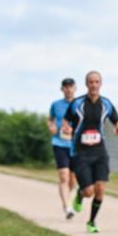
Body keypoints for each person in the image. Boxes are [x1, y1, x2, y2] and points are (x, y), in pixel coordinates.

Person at [62, 71, 118, 233]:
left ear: (100, 84)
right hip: (80, 153)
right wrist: (66, 127)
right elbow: (66, 120)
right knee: (89, 191)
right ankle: (80, 195)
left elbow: (116, 119)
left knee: (100, 188)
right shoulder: (77, 103)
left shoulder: (106, 104)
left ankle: (91, 222)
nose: (94, 85)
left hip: (99, 151)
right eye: (91, 82)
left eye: (97, 82)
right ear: (86, 84)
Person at [48, 78, 79, 219]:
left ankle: (67, 201)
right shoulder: (56, 104)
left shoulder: (80, 104)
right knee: (63, 176)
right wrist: (52, 126)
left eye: (70, 87)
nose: (68, 89)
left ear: (75, 88)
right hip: (60, 143)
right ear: (62, 89)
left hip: (76, 145)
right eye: (65, 87)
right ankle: (67, 207)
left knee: (73, 180)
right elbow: (50, 119)